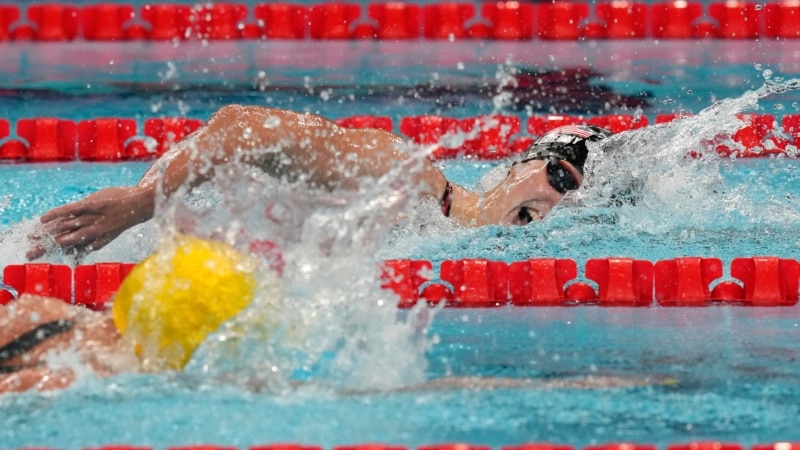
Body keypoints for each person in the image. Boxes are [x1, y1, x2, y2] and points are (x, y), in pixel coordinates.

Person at [25, 105, 612, 260]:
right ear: (517, 165)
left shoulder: (458, 246)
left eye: (575, 199)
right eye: (560, 175)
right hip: (89, 245)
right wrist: (138, 203)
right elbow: (242, 128)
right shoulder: (408, 177)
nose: (555, 201)